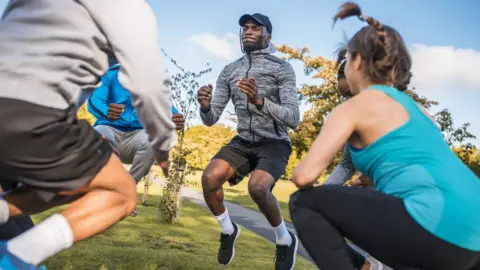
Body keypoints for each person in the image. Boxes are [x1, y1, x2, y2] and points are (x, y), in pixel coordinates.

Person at [289, 2, 480, 270]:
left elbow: (303, 177)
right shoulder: (419, 110)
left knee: (304, 203)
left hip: (432, 221)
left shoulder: (353, 107)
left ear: (356, 61)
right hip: (473, 224)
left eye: (345, 63)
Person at [0, 0, 177, 269]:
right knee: (121, 192)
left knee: (71, 183)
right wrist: (163, 145)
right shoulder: (129, 7)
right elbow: (149, 86)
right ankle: (18, 256)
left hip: (21, 120)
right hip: (32, 114)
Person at [197, 13, 300, 270]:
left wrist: (260, 102)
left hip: (274, 142)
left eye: (255, 27)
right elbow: (210, 120)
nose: (248, 31)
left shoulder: (282, 69)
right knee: (209, 179)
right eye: (245, 28)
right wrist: (205, 106)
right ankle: (228, 230)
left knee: (257, 188)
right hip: (243, 140)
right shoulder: (230, 71)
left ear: (268, 36)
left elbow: (294, 118)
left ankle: (284, 240)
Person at [87, 64, 185, 216]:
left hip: (138, 135)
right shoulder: (110, 75)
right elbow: (94, 101)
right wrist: (107, 111)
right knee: (98, 134)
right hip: (109, 129)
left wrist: (174, 119)